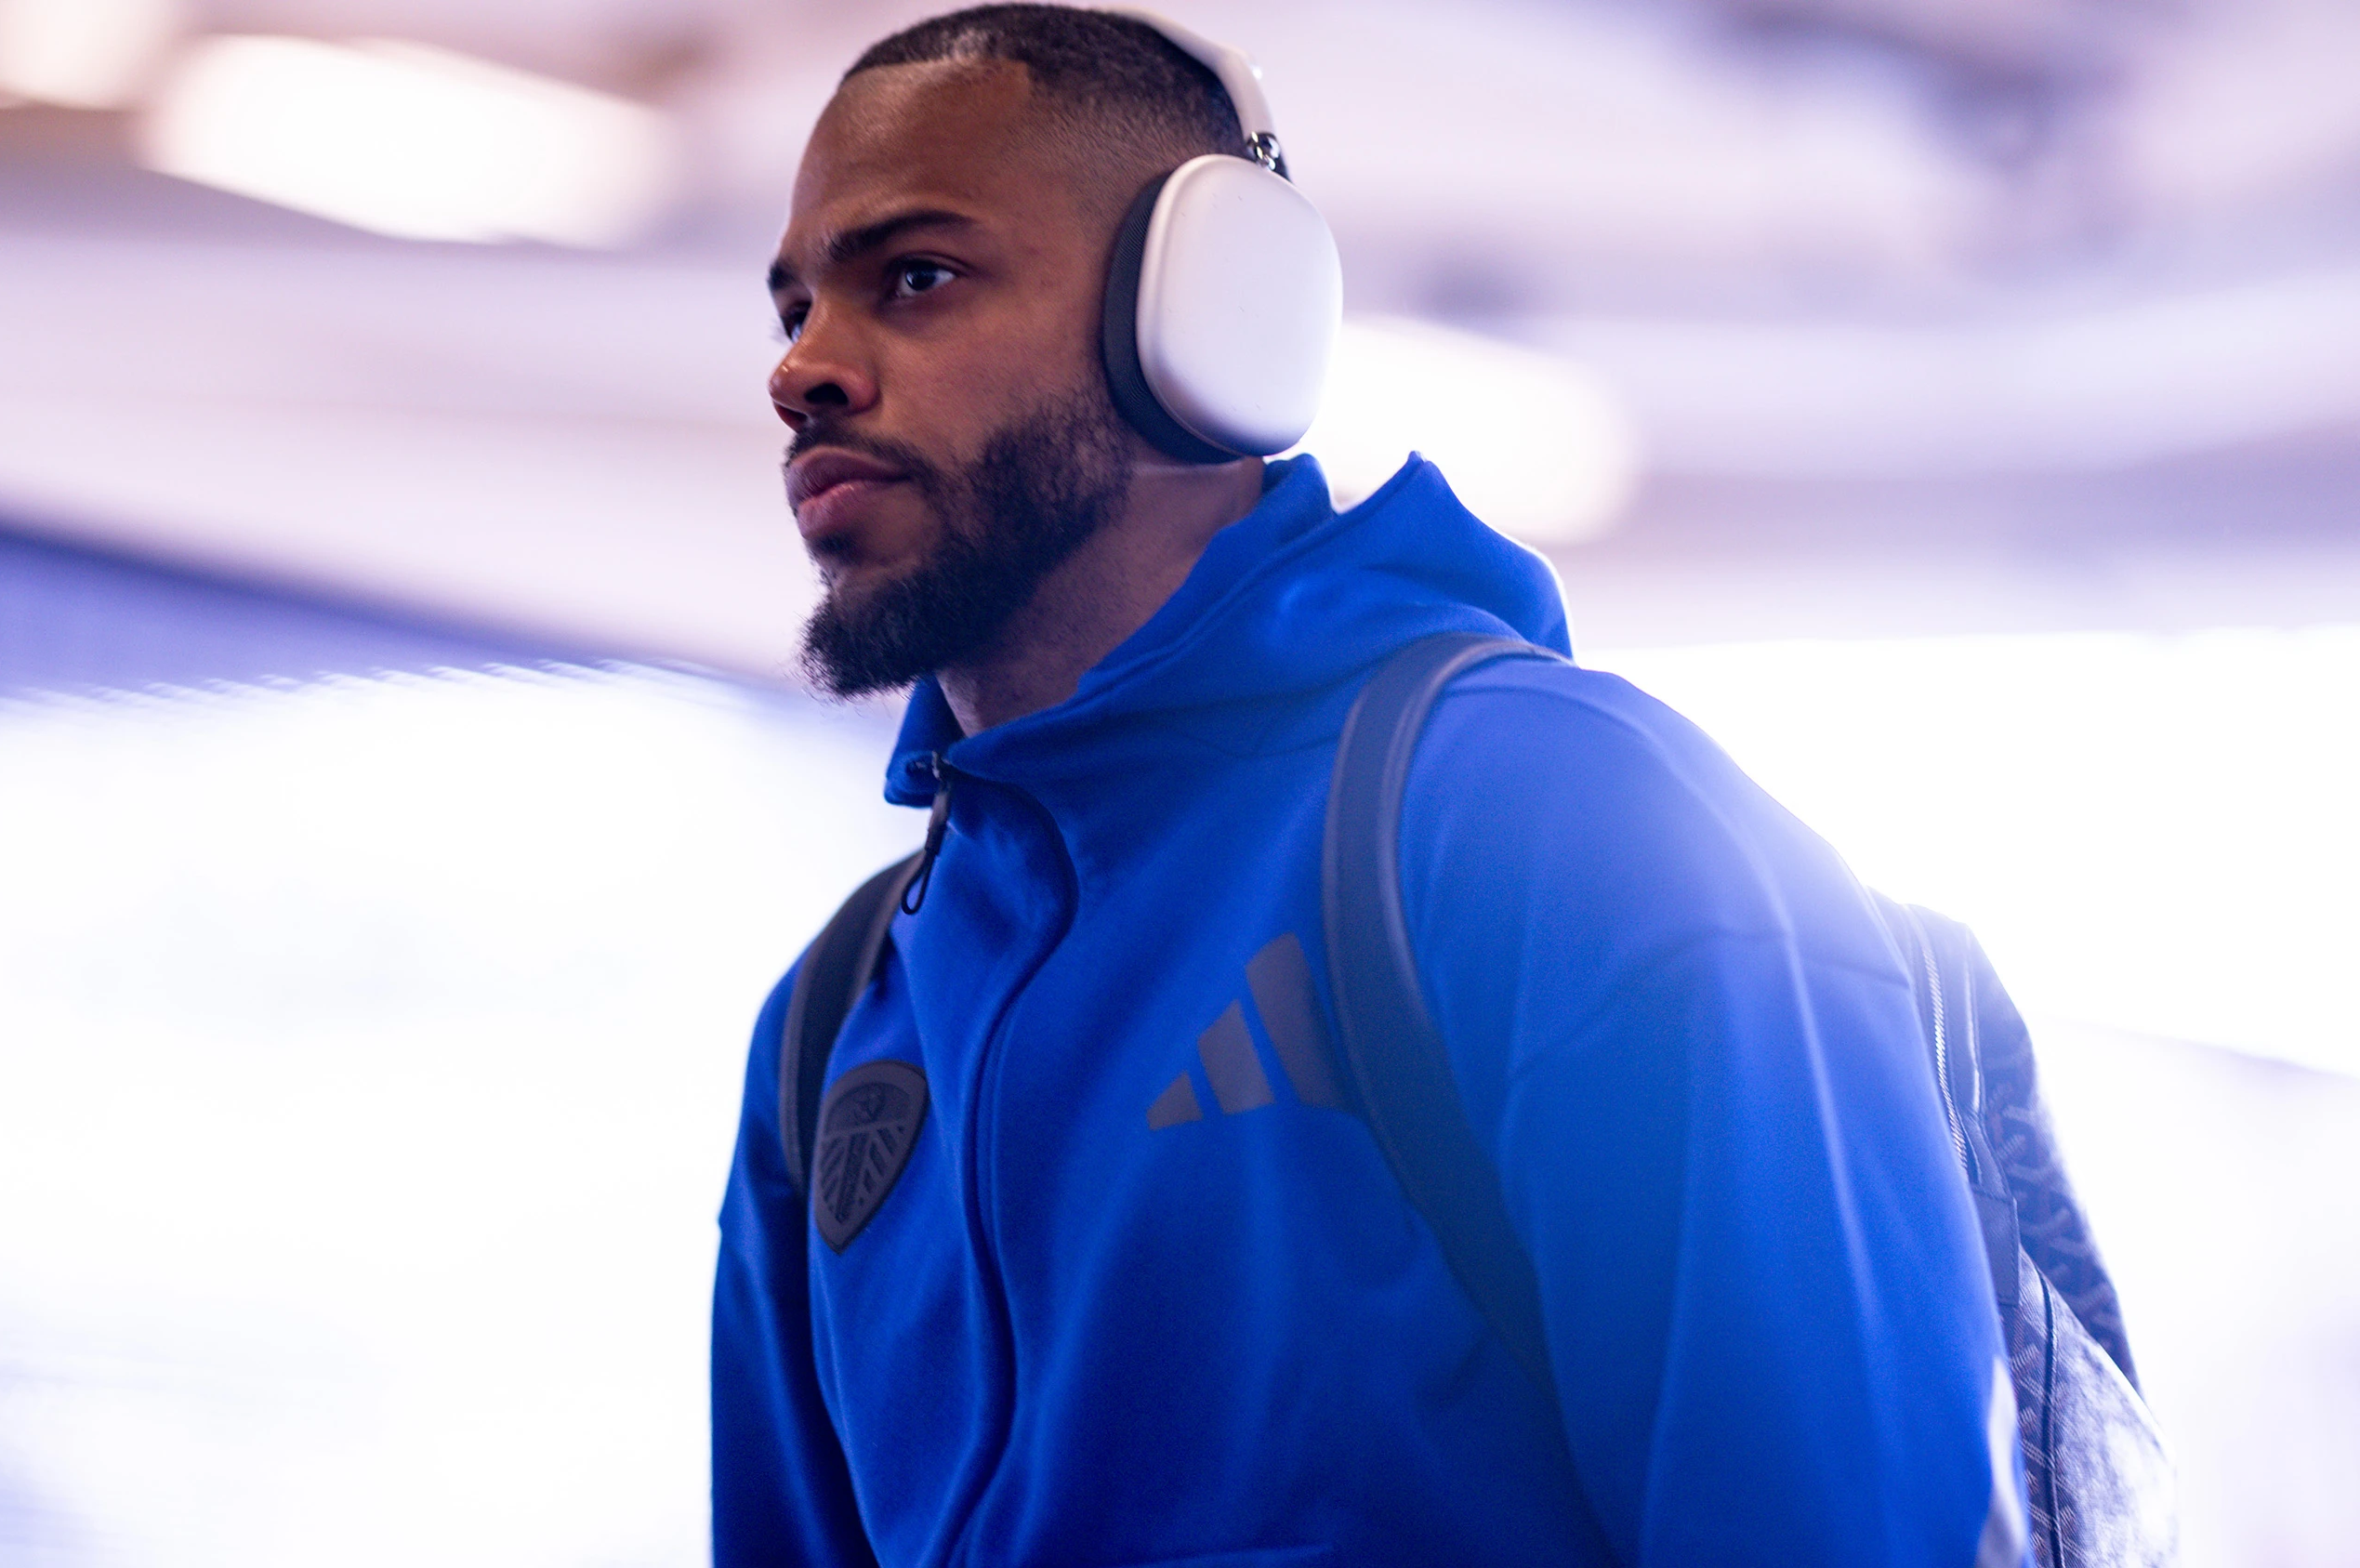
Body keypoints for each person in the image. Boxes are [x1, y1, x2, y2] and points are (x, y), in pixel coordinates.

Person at [713, 7, 2024, 1564]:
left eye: (914, 276)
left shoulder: (1546, 823)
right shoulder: (838, 1023)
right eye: (795, 305)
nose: (802, 370)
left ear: (1210, 314)